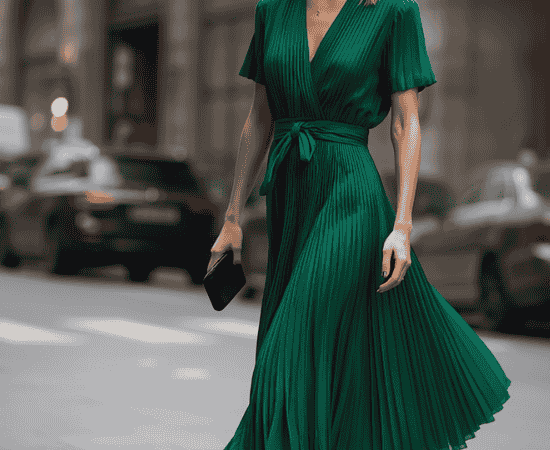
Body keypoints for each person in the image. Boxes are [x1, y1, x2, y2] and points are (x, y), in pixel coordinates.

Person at [208, 0, 511, 448]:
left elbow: (407, 122)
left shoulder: (392, 11)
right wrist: (232, 218)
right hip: (291, 201)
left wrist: (402, 227)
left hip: (349, 198)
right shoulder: (273, 9)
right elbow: (260, 117)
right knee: (317, 363)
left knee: (287, 354)